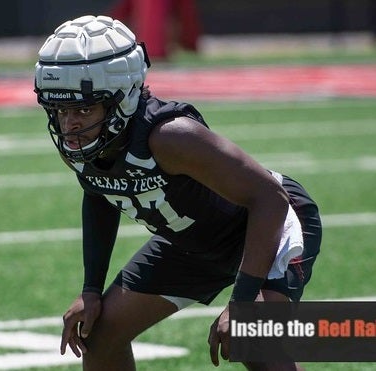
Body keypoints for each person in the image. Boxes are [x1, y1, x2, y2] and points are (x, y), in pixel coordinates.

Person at [34, 15, 321, 370]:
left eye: (83, 108)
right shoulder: (79, 141)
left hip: (264, 226)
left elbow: (270, 198)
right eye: (60, 109)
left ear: (121, 99)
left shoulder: (170, 136)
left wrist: (243, 301)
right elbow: (97, 192)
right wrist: (91, 289)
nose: (69, 123)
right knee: (100, 334)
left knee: (251, 339)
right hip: (192, 242)